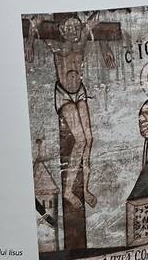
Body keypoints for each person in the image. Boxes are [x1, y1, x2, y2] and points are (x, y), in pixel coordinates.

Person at [41, 12, 102, 208]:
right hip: (64, 94)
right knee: (81, 140)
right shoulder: (57, 46)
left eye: (77, 26)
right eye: (69, 27)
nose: (74, 30)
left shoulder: (82, 40)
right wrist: (35, 28)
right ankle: (68, 191)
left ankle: (84, 189)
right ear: (61, 29)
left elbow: (95, 20)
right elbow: (37, 35)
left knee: (89, 139)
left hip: (80, 92)